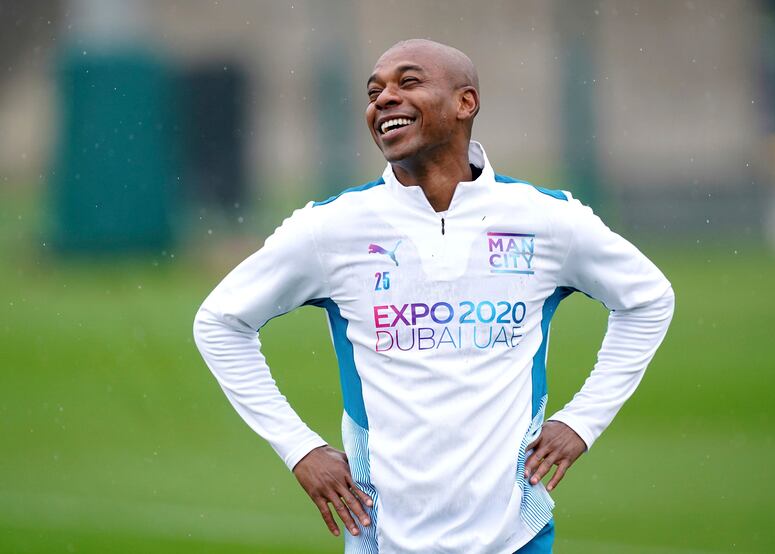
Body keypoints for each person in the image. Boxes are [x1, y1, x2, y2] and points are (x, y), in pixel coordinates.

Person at [193, 39, 675, 554]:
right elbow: (220, 322)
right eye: (374, 91)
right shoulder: (330, 228)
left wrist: (581, 420)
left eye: (409, 82)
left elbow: (647, 298)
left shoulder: (546, 219)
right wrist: (300, 448)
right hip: (384, 540)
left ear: (466, 103)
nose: (383, 99)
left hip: (517, 537)